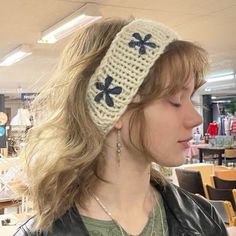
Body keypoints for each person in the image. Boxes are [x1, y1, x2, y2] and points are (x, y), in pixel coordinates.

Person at [14, 18, 227, 236]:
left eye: (190, 98)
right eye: (174, 100)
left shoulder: (203, 219)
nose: (195, 118)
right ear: (116, 108)